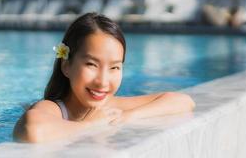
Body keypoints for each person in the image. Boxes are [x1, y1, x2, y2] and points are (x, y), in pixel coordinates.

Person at [13, 13, 196, 143]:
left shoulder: (109, 108)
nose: (103, 81)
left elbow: (183, 101)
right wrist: (90, 125)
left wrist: (127, 116)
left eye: (115, 67)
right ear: (66, 65)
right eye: (91, 64)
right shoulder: (54, 108)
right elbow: (33, 130)